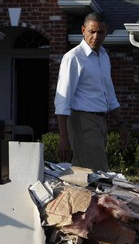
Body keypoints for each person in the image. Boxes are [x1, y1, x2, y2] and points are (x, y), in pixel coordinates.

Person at [54, 12, 129, 171]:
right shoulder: (73, 57)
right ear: (83, 30)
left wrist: (121, 124)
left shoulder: (103, 56)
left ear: (106, 32)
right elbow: (62, 100)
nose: (96, 36)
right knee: (98, 173)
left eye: (100, 32)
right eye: (92, 31)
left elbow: (110, 96)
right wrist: (63, 138)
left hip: (101, 122)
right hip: (82, 121)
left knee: (85, 175)